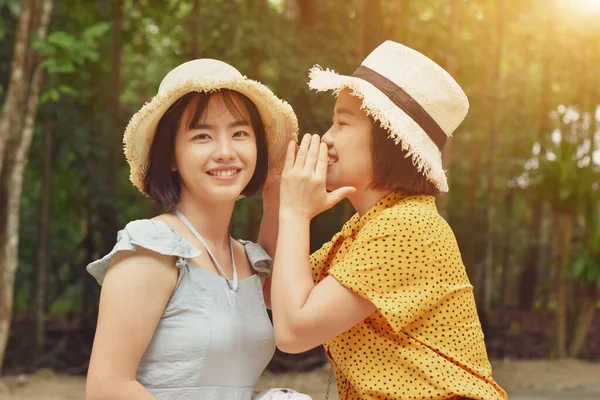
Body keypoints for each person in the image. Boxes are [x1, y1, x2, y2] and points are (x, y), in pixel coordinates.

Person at [268, 41, 508, 400]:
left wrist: (295, 213)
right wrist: (276, 197)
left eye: (343, 123)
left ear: (390, 141)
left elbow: (293, 331)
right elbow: (275, 287)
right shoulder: (366, 228)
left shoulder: (408, 227)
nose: (327, 138)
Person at [85, 59, 298, 400]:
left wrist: (276, 199)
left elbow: (287, 301)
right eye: (202, 136)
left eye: (240, 133)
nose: (225, 152)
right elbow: (107, 388)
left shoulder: (247, 259)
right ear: (171, 156)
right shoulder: (152, 249)